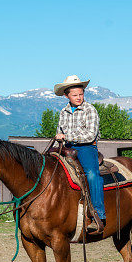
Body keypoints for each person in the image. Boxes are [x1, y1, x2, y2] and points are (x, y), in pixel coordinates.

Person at [54, 75, 105, 233]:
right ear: (66, 95)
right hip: (66, 147)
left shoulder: (90, 110)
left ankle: (98, 214)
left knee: (91, 174)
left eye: (81, 94)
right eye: (75, 95)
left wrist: (67, 137)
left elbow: (90, 135)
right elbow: (59, 132)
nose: (78, 97)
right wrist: (58, 143)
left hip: (86, 148)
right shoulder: (63, 112)